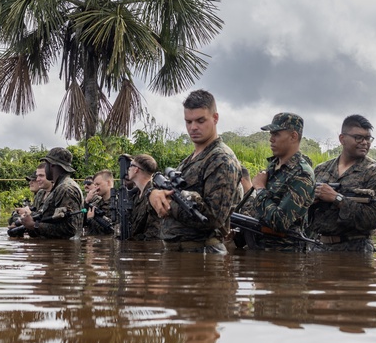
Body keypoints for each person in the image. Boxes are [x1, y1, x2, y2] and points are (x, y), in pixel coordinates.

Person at [150, 89, 242, 254]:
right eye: (188, 121)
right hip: (178, 255)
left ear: (215, 118)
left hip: (203, 255)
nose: (193, 127)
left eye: (200, 120)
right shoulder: (189, 160)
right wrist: (155, 195)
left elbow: (214, 217)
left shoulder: (221, 159)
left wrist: (168, 202)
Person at [309, 114, 376, 253]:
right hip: (317, 248)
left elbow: (375, 219)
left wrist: (337, 199)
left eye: (368, 138)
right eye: (358, 137)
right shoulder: (321, 169)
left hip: (354, 252)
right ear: (342, 139)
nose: (364, 142)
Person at [246, 112, 315, 250]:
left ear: (293, 136)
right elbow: (259, 211)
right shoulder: (273, 166)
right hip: (259, 250)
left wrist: (260, 188)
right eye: (271, 134)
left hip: (285, 259)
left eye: (276, 134)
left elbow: (280, 221)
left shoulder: (302, 173)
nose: (271, 139)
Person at [13, 147, 84, 239]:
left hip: (63, 251)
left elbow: (69, 229)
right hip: (55, 249)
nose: (45, 167)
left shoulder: (66, 189)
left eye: (46, 164)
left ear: (52, 165)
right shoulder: (59, 187)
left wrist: (34, 225)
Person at [126, 154, 159, 240]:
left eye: (130, 165)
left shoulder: (154, 195)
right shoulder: (136, 195)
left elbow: (155, 232)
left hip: (149, 248)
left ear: (136, 169)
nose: (128, 169)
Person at [83, 169, 117, 236]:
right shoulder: (96, 204)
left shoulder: (118, 204)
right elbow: (81, 223)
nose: (95, 188)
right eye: (94, 185)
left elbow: (112, 230)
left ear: (108, 183)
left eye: (98, 184)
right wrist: (86, 201)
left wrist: (91, 219)